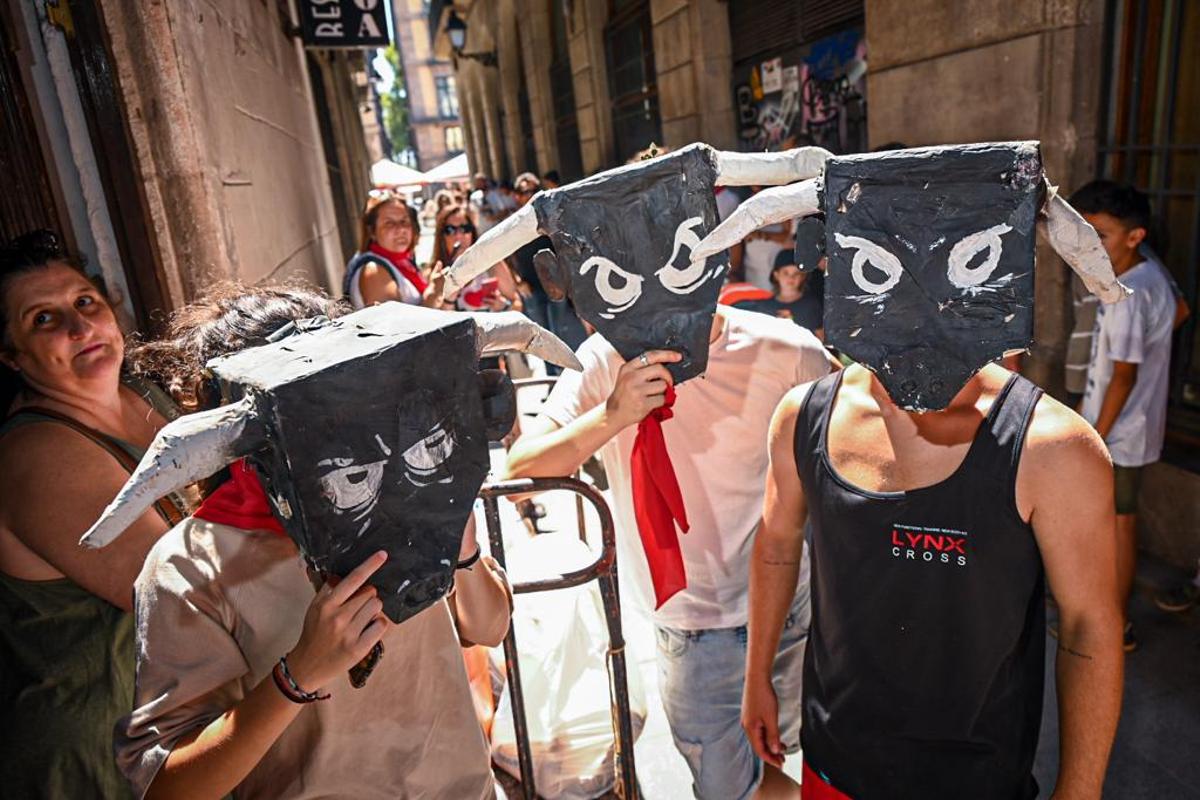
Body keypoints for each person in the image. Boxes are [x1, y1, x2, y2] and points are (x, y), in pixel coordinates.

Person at [726, 142, 1125, 799]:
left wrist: (1078, 792)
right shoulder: (804, 416)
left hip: (976, 781)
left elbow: (1088, 626)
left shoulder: (1054, 450)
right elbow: (775, 544)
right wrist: (757, 677)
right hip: (833, 763)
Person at [111, 285, 512, 799]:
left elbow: (490, 626)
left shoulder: (408, 495)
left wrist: (464, 551)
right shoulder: (189, 570)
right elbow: (169, 788)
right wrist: (296, 675)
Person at [505, 304, 836, 799]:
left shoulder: (786, 348)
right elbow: (518, 477)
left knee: (774, 748)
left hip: (788, 606)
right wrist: (612, 415)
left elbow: (854, 429)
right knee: (728, 786)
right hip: (693, 624)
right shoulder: (605, 359)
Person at [0, 230, 190, 798]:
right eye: (43, 319)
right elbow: (183, 596)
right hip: (101, 752)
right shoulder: (37, 453)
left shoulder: (145, 394)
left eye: (86, 303)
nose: (80, 327)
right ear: (10, 355)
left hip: (174, 730)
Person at [1072, 181, 1176, 651]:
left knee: (1117, 526)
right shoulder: (1154, 275)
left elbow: (1123, 378)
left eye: (1103, 236)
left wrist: (1093, 436)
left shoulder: (1126, 294)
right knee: (1117, 522)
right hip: (1132, 425)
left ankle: (1115, 627)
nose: (1092, 247)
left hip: (1118, 433)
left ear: (1135, 237)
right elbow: (1182, 310)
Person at [507, 172, 587, 373]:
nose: (528, 195)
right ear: (516, 195)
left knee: (562, 329)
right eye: (523, 191)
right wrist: (517, 281)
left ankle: (570, 374)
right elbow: (506, 256)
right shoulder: (513, 223)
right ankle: (552, 378)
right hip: (531, 286)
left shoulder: (549, 218)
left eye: (532, 191)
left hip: (555, 283)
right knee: (540, 335)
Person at [344, 190, 444, 309]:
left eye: (404, 221)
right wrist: (432, 294)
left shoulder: (402, 261)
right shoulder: (374, 270)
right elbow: (394, 325)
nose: (401, 229)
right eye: (389, 223)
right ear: (372, 232)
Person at [430, 203, 521, 314]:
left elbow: (517, 304)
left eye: (465, 229)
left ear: (472, 233)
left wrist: (503, 306)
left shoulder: (490, 262)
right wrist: (447, 298)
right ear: (442, 237)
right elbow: (434, 320)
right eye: (450, 230)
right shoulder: (436, 274)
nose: (458, 236)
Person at [743, 249, 823, 337]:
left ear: (803, 276)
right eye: (786, 273)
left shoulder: (812, 305)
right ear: (776, 275)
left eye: (796, 273)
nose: (791, 278)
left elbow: (820, 338)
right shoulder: (763, 306)